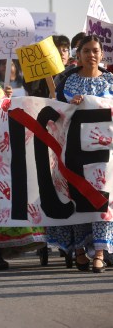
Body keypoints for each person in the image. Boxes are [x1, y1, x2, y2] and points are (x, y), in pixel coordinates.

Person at [50, 35, 113, 273]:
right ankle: (78, 251)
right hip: (74, 150)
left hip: (103, 153)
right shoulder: (69, 82)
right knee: (77, 197)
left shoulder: (110, 81)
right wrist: (70, 105)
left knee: (102, 199)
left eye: (95, 50)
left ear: (101, 54)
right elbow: (55, 113)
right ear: (79, 55)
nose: (91, 55)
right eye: (86, 50)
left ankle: (99, 252)